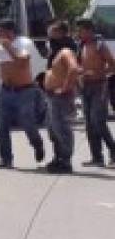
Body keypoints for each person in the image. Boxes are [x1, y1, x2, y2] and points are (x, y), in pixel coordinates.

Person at [0, 17, 46, 169]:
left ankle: (37, 143)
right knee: (0, 125)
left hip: (24, 90)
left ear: (10, 32)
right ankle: (6, 158)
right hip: (6, 90)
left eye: (0, 32)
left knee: (28, 124)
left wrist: (8, 47)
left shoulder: (23, 43)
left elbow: (22, 62)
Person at [75, 18, 115, 167]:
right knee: (89, 124)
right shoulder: (81, 45)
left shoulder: (100, 45)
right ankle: (96, 157)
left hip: (99, 86)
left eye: (80, 30)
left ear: (89, 30)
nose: (78, 33)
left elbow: (112, 65)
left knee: (98, 122)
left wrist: (97, 72)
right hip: (85, 87)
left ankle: (113, 151)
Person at [44, 20, 82, 174]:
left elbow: (74, 69)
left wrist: (64, 88)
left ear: (60, 33)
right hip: (52, 96)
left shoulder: (66, 50)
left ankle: (66, 161)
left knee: (62, 129)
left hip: (61, 97)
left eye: (52, 33)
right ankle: (58, 157)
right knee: (53, 129)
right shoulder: (56, 52)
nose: (49, 37)